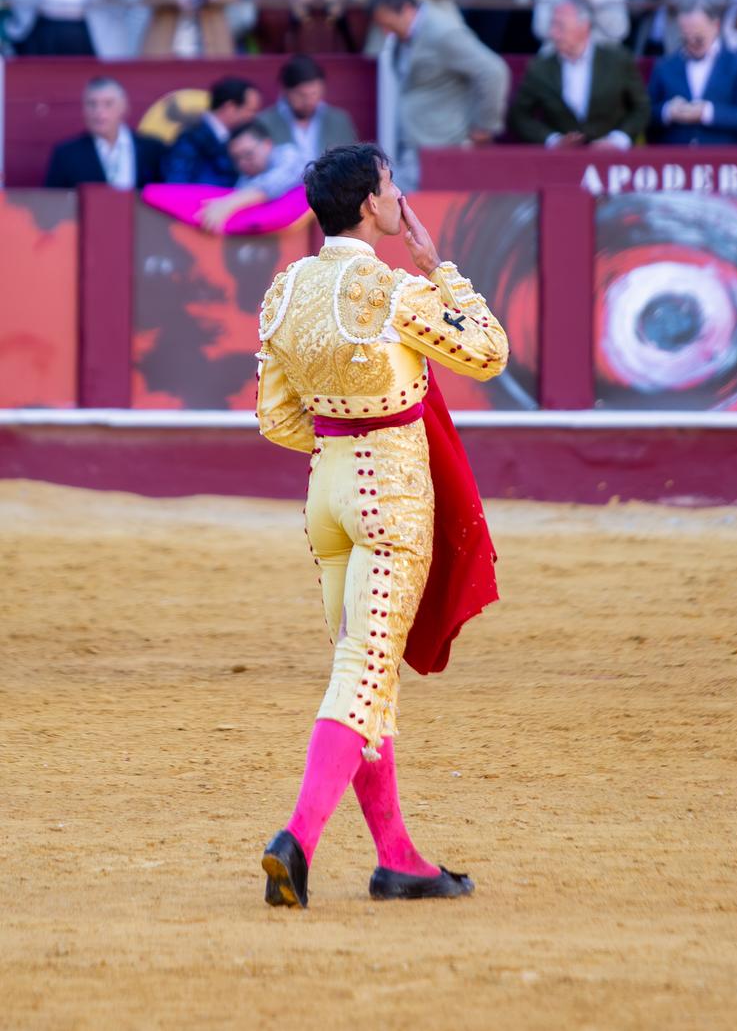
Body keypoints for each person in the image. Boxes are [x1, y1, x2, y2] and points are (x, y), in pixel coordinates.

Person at [255, 142, 508, 909]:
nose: (401, 198)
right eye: (393, 185)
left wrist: (341, 432)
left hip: (324, 496)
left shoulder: (285, 288)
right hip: (389, 500)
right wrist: (440, 269)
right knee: (362, 674)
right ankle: (296, 840)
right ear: (370, 203)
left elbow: (275, 419)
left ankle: (399, 859)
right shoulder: (394, 291)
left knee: (366, 676)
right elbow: (489, 352)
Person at [368, 0, 509, 183]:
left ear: (407, 10)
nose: (386, 32)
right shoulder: (406, 36)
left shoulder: (442, 32)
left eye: (388, 24)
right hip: (416, 147)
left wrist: (484, 127)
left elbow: (493, 71)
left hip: (442, 148)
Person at [509, 0, 650, 148]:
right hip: (560, 163)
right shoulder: (540, 67)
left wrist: (617, 140)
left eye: (560, 26)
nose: (553, 34)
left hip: (611, 162)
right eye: (552, 25)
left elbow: (641, 107)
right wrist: (553, 141)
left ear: (584, 26)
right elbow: (519, 115)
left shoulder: (618, 61)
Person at [648, 4, 737, 144]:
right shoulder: (665, 66)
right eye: (686, 38)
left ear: (715, 26)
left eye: (698, 38)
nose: (692, 42)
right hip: (675, 159)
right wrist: (668, 111)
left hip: (722, 159)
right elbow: (647, 113)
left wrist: (707, 113)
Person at [45, 75, 164, 189]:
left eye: (108, 104)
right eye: (92, 104)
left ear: (124, 107)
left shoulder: (153, 150)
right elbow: (53, 202)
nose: (99, 111)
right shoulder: (66, 155)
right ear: (84, 109)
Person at [196, 119, 304, 233]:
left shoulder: (289, 154)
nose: (242, 163)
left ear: (267, 145)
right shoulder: (244, 178)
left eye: (248, 154)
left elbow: (275, 182)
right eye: (236, 158)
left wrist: (228, 205)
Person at [259, 54, 359, 173]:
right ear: (284, 91)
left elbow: (352, 163)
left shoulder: (339, 120)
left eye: (315, 94)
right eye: (301, 95)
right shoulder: (265, 121)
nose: (309, 101)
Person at [162, 76, 262, 185]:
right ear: (230, 108)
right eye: (250, 111)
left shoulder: (231, 137)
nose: (253, 117)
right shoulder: (190, 138)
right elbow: (177, 184)